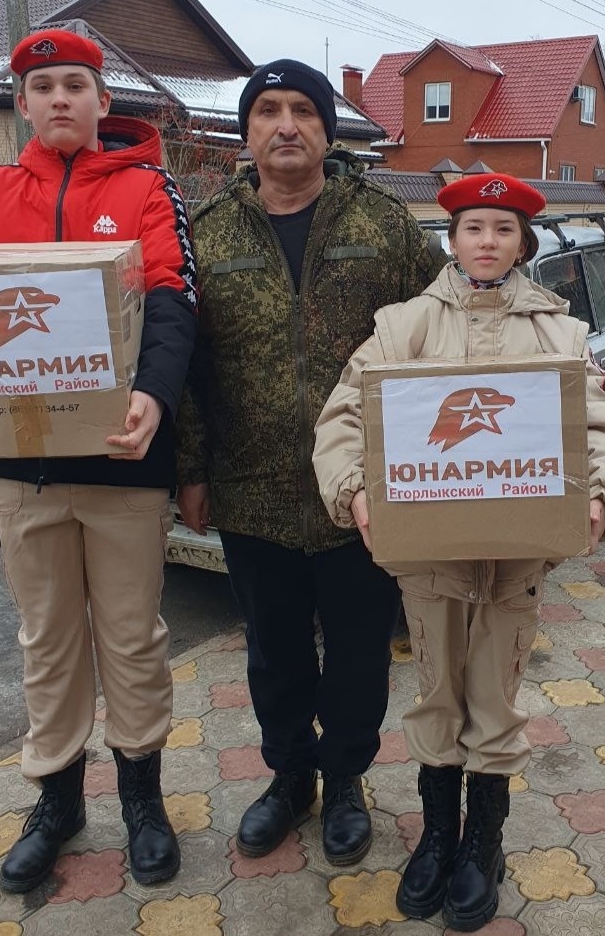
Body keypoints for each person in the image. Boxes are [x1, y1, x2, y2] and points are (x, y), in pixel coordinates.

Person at [312, 173, 605, 930]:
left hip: (516, 562)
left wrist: (603, 495)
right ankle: (437, 836)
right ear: (452, 240)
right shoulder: (402, 327)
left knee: (495, 698)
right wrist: (355, 491)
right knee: (436, 694)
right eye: (473, 227)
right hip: (429, 559)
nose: (487, 241)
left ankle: (483, 841)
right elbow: (343, 420)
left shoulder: (561, 334)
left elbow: (602, 428)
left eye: (502, 228)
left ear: (522, 243)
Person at [0, 29, 198, 893]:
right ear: (22, 105)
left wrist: (155, 397)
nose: (60, 98)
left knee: (133, 639)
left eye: (75, 84)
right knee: (47, 640)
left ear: (103, 101)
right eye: (43, 87)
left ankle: (143, 800)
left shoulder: (147, 187)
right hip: (21, 467)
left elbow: (174, 300)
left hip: (122, 460)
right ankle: (59, 800)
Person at [175, 59, 447, 865]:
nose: (286, 125)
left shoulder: (384, 224)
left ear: (328, 130)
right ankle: (291, 776)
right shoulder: (208, 232)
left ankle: (347, 781)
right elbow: (185, 364)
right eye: (268, 110)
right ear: (246, 131)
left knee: (360, 653)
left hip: (362, 493)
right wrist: (190, 470)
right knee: (275, 653)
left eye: (303, 110)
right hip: (251, 489)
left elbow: (449, 321)